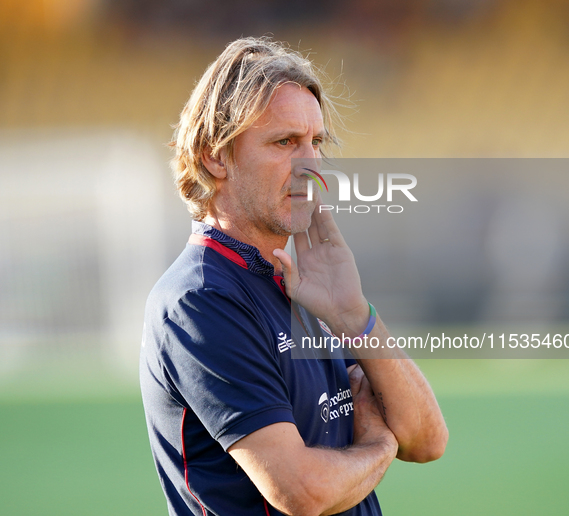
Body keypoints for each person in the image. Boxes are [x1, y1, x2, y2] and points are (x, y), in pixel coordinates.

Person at [140, 37, 448, 516]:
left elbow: (428, 439)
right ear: (214, 157)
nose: (311, 166)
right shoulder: (201, 300)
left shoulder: (302, 284)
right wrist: (378, 446)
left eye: (316, 143)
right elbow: (302, 492)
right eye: (285, 142)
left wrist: (355, 316)